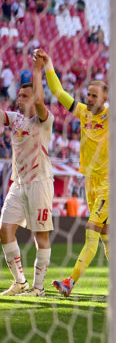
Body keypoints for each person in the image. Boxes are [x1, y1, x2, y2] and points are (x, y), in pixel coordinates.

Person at [35, 50, 111, 297]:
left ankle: (70, 281)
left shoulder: (112, 116)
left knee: (91, 233)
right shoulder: (83, 113)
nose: (88, 98)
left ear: (104, 98)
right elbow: (58, 93)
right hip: (90, 181)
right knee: (105, 238)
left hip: (110, 183)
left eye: (93, 95)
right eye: (87, 94)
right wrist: (49, 64)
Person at [1, 54, 53, 297]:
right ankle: (20, 282)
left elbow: (41, 102)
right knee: (4, 229)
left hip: (39, 184)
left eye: (25, 96)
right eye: (18, 96)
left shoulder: (44, 119)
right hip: (18, 184)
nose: (19, 100)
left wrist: (37, 69)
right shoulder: (15, 119)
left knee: (40, 235)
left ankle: (39, 288)